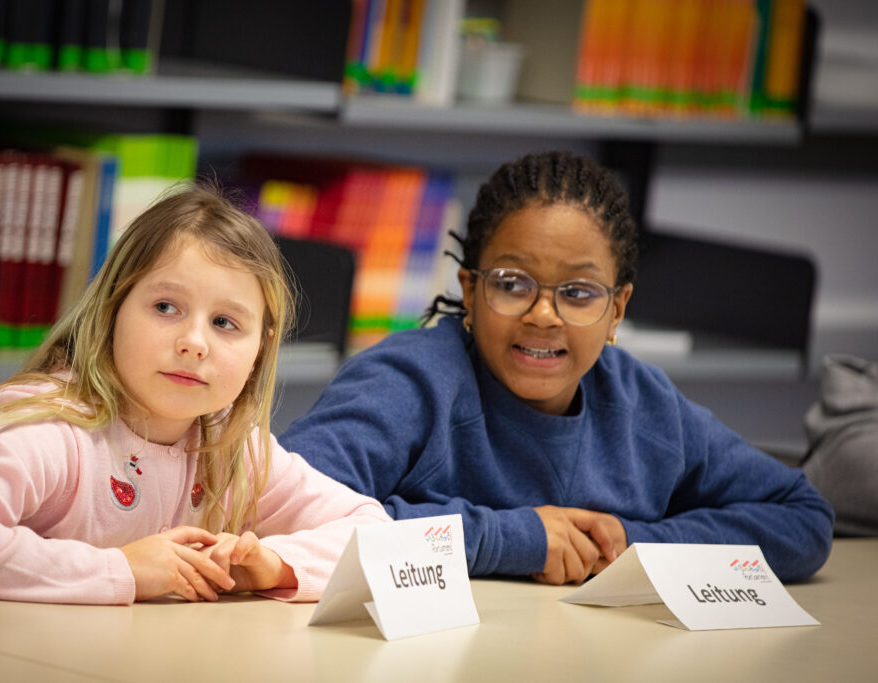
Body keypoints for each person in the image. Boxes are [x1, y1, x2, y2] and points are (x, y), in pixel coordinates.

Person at [280, 150, 834, 585]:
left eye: (578, 292)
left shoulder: (646, 406)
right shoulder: (408, 383)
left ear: (616, 309)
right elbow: (280, 511)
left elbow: (802, 517)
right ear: (470, 292)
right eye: (512, 284)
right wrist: (516, 537)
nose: (543, 315)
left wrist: (630, 542)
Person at [0, 184, 390, 605]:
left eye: (225, 323)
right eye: (166, 307)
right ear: (112, 308)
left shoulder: (234, 448)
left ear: (262, 346)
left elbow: (377, 535)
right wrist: (121, 570)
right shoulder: (54, 428)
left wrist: (271, 568)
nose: (193, 342)